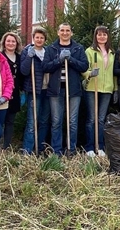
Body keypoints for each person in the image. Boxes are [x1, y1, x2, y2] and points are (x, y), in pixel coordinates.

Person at [42, 23, 89, 156]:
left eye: (67, 30)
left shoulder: (78, 48)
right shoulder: (51, 48)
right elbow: (46, 66)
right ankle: (57, 150)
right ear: (58, 32)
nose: (65, 33)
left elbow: (84, 66)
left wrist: (71, 59)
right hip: (56, 90)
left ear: (71, 33)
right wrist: (59, 60)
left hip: (73, 90)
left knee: (72, 122)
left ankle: (71, 149)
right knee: (56, 121)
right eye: (62, 30)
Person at [83, 26, 117, 157]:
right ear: (95, 36)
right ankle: (90, 147)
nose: (102, 37)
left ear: (107, 36)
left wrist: (115, 89)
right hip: (93, 87)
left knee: (101, 119)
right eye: (99, 34)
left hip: (107, 88)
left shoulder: (111, 52)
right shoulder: (90, 51)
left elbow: (113, 72)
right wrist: (89, 74)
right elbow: (84, 69)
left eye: (104, 34)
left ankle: (100, 146)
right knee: (92, 118)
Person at [20, 27, 50, 155]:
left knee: (44, 120)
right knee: (32, 121)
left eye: (41, 38)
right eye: (37, 37)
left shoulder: (47, 52)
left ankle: (40, 147)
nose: (39, 40)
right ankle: (27, 150)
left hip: (47, 90)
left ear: (45, 39)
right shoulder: (27, 51)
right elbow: (24, 71)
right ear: (33, 38)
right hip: (34, 90)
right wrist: (29, 57)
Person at [0, 32, 24, 150]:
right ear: (4, 43)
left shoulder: (20, 58)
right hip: (1, 93)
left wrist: (23, 91)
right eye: (8, 41)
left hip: (15, 93)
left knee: (10, 121)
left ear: (17, 43)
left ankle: (6, 147)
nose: (11, 43)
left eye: (13, 41)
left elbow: (23, 76)